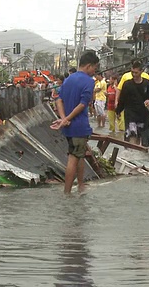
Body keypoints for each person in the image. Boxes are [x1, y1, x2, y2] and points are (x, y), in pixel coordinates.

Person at [51, 51, 100, 195]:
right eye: (94, 68)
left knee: (80, 155)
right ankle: (67, 193)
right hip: (79, 126)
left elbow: (59, 100)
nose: (95, 71)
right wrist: (67, 119)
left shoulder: (68, 79)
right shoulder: (89, 81)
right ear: (89, 66)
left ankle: (80, 185)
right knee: (73, 158)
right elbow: (83, 104)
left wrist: (63, 118)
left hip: (69, 127)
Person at [116, 60, 149, 147]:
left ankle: (140, 156)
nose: (134, 74)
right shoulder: (127, 84)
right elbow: (122, 99)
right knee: (131, 135)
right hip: (130, 114)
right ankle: (130, 156)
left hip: (143, 114)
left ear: (141, 71)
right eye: (132, 72)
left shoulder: (146, 83)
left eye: (136, 73)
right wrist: (118, 111)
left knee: (142, 137)